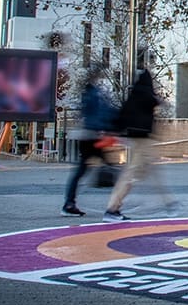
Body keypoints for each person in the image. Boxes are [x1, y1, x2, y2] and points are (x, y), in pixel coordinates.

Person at [104, 64, 176, 222]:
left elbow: (122, 115)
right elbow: (156, 102)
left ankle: (168, 203)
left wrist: (115, 131)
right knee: (131, 174)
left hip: (136, 138)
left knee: (146, 172)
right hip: (143, 140)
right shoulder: (146, 95)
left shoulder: (134, 95)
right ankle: (112, 208)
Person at [62, 64, 117, 216]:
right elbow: (102, 114)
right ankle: (115, 207)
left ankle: (69, 203)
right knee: (110, 168)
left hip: (88, 136)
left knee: (82, 170)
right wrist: (112, 126)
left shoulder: (88, 92)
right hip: (92, 137)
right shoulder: (95, 94)